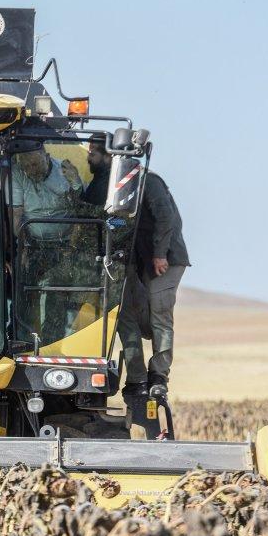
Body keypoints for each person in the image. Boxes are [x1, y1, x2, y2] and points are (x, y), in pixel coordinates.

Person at [86, 141, 190, 395]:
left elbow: (167, 217)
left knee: (160, 315)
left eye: (93, 152)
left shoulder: (147, 181)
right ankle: (138, 379)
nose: (89, 156)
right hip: (139, 262)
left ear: (111, 157)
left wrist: (159, 254)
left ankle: (158, 377)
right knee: (127, 316)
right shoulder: (114, 184)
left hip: (165, 261)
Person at [10, 148, 89, 343]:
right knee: (23, 294)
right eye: (27, 166)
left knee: (57, 298)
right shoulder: (17, 174)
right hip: (32, 245)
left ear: (47, 157)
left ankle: (51, 343)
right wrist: (22, 247)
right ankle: (22, 341)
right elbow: (16, 215)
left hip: (65, 247)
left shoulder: (65, 173)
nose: (31, 170)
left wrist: (76, 183)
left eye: (35, 164)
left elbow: (82, 211)